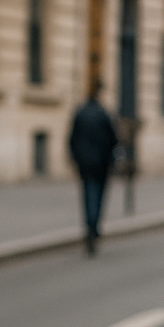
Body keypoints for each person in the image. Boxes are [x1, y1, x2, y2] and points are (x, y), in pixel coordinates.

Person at [68, 84, 119, 256]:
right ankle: (93, 228)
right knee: (98, 196)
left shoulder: (80, 113)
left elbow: (72, 139)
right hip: (101, 164)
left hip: (84, 163)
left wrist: (75, 159)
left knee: (88, 193)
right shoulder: (103, 114)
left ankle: (90, 227)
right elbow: (113, 140)